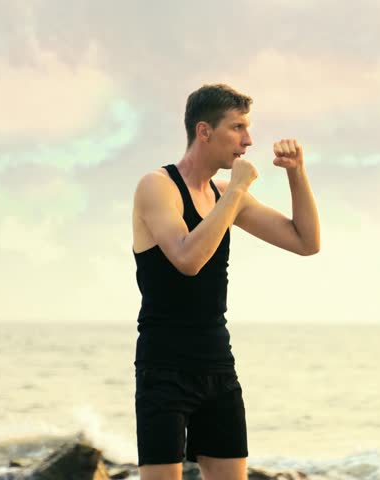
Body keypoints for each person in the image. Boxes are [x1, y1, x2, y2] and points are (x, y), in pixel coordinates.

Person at [130, 83, 321, 480]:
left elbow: (306, 242)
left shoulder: (225, 196)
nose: (248, 141)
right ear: (204, 131)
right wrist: (236, 190)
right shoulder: (157, 186)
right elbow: (187, 259)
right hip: (163, 368)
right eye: (237, 128)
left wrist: (297, 173)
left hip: (218, 364)